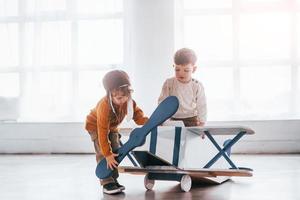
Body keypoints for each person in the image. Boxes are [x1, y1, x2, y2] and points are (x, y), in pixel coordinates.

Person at [85, 70, 148, 194]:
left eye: (125, 96)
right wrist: (107, 155)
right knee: (105, 154)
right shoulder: (104, 106)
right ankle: (106, 182)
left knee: (116, 151)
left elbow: (139, 117)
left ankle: (113, 179)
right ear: (110, 94)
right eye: (119, 98)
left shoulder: (129, 102)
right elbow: (102, 132)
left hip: (112, 127)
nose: (123, 100)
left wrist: (149, 122)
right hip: (96, 127)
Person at [158, 48, 207, 128]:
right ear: (173, 66)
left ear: (194, 69)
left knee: (189, 139)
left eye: (186, 70)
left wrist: (202, 124)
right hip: (173, 119)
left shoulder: (197, 85)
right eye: (177, 69)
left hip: (192, 120)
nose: (181, 73)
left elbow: (202, 105)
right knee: (175, 139)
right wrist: (160, 119)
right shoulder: (169, 83)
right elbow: (162, 102)